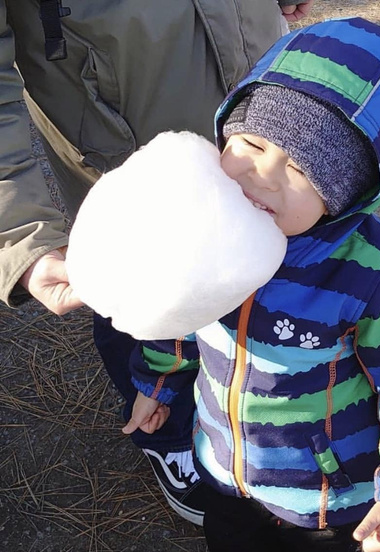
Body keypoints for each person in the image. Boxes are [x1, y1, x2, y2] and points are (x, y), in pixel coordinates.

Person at [127, 17, 380, 552]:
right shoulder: (210, 228)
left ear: (346, 194)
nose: (263, 173)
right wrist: (158, 384)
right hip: (225, 475)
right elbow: (181, 313)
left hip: (325, 499)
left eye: (302, 168)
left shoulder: (373, 274)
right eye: (252, 142)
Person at [0, 0, 314, 527]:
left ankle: (266, 428)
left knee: (275, 291)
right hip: (132, 151)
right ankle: (168, 432)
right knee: (151, 312)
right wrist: (18, 232)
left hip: (260, 102)